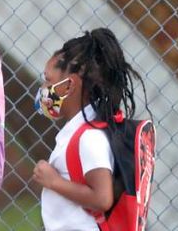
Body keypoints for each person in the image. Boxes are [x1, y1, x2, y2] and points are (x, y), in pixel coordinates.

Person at [29, 28, 141, 230]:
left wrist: (53, 181)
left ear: (69, 86)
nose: (44, 88)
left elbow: (102, 198)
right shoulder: (79, 132)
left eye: (48, 80)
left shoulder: (90, 138)